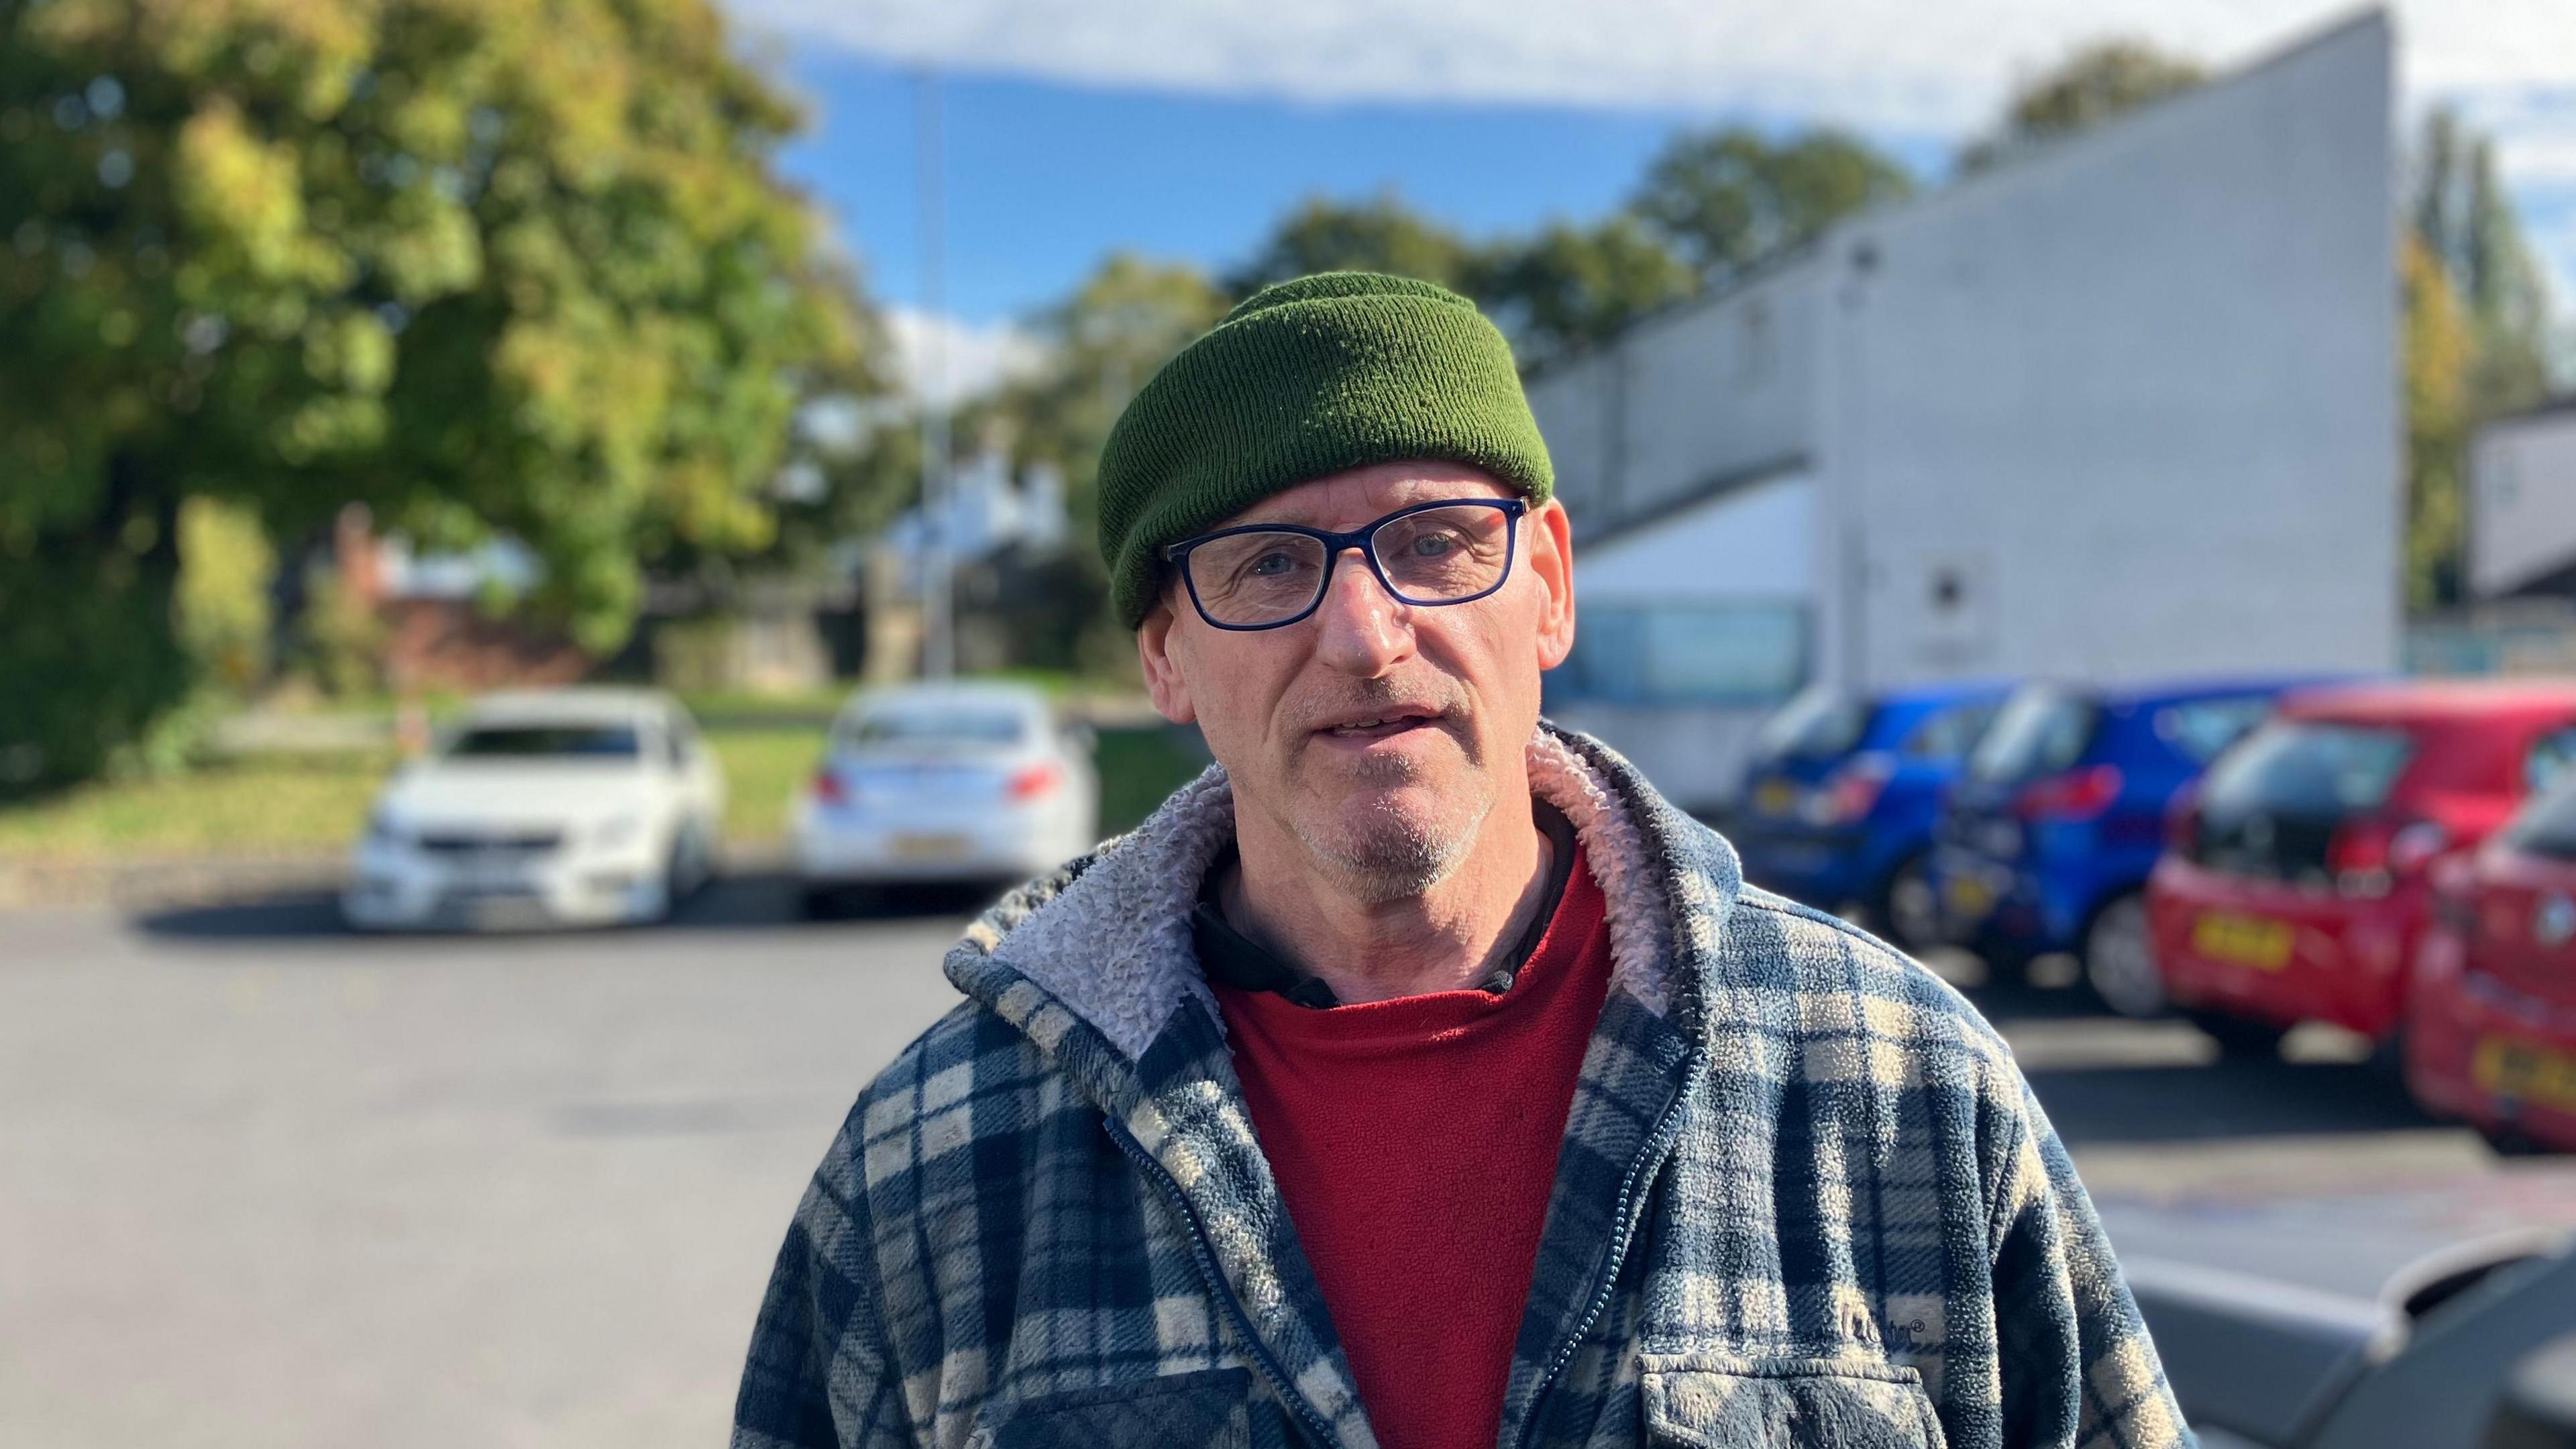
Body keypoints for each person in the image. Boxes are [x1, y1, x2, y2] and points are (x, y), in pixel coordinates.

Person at [731, 272, 2186, 1449]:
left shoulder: (1899, 1088)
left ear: (1547, 587)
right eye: (1266, 567)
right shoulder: (936, 1163)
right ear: (1166, 658)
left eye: (1433, 544)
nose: (1367, 636)